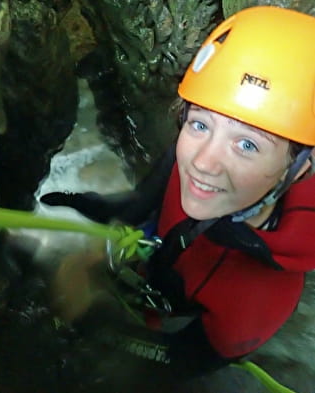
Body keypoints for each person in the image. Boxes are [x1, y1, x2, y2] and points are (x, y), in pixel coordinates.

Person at [41, 5, 315, 384]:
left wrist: (90, 313)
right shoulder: (192, 154)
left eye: (247, 146)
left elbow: (175, 364)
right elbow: (144, 203)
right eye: (200, 123)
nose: (202, 162)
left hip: (176, 312)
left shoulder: (263, 295)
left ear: (298, 168)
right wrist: (101, 208)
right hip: (159, 262)